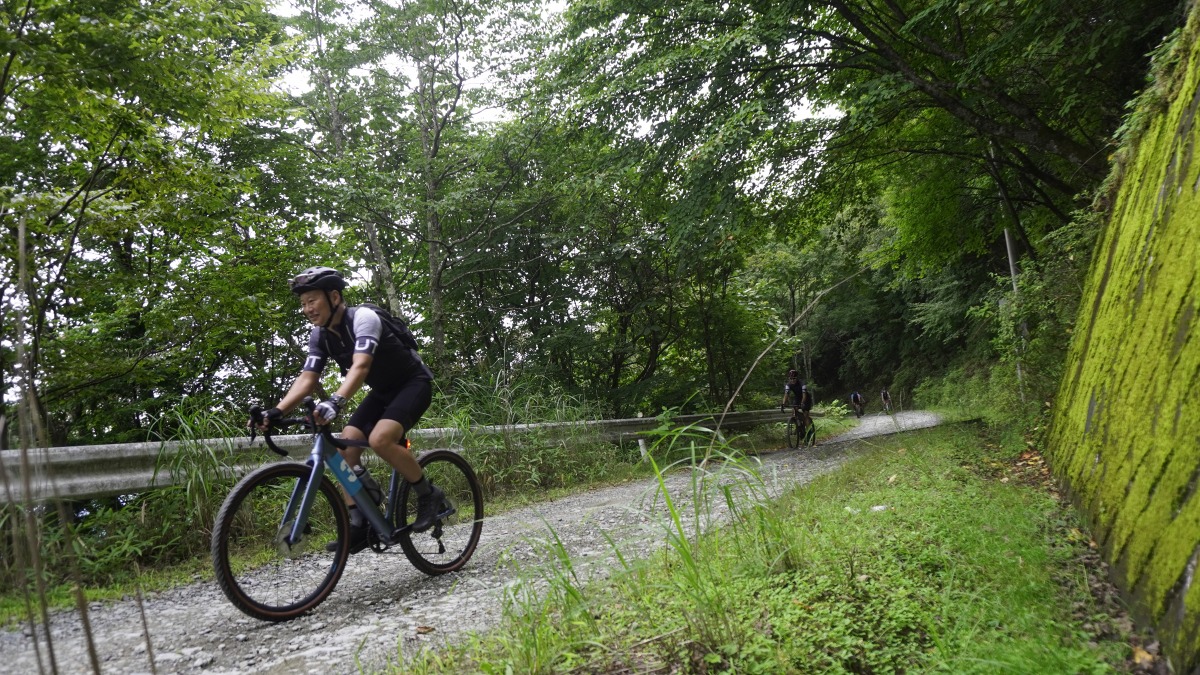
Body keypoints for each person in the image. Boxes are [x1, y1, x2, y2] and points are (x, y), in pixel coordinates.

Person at [254, 266, 441, 554]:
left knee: (381, 440)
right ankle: (360, 523)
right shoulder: (320, 336)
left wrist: (336, 400)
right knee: (343, 450)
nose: (307, 309)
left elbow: (361, 365)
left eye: (312, 301)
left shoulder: (363, 319)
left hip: (412, 384)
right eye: (303, 304)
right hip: (382, 393)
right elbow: (308, 378)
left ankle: (429, 495)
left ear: (334, 296)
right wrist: (277, 411)